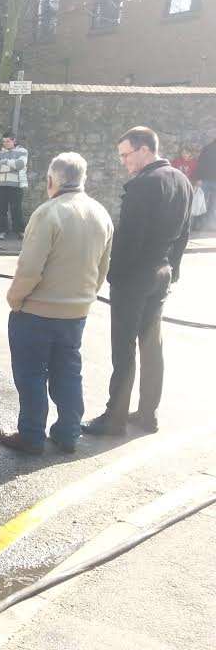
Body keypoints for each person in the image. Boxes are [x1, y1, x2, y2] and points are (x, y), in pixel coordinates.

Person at [0, 153, 113, 455]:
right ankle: (68, 433)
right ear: (83, 178)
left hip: (37, 311)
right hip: (77, 313)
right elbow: (102, 269)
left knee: (32, 374)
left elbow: (30, 268)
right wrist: (84, 298)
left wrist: (15, 299)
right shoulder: (101, 213)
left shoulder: (49, 213)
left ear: (52, 180)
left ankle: (31, 436)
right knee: (68, 372)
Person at [83, 127, 192, 436]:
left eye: (126, 155)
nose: (124, 162)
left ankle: (114, 418)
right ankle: (147, 414)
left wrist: (114, 276)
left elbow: (130, 239)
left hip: (136, 276)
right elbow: (185, 234)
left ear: (145, 149)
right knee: (151, 345)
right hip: (162, 270)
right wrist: (174, 270)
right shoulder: (182, 180)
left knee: (124, 347)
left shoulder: (143, 185)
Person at [0, 131, 29, 240]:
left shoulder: (22, 151)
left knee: (16, 209)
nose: (5, 143)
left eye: (8, 141)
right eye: (4, 141)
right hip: (0, 185)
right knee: (1, 210)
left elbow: (21, 164)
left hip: (15, 185)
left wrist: (5, 162)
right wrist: (12, 165)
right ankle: (2, 232)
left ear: (14, 140)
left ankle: (20, 231)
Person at [195, 138, 216, 231]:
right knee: (203, 204)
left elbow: (200, 164)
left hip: (206, 180)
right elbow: (200, 164)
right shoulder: (207, 149)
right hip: (205, 180)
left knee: (205, 204)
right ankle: (201, 225)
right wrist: (199, 178)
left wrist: (199, 178)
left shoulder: (206, 148)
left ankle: (206, 225)